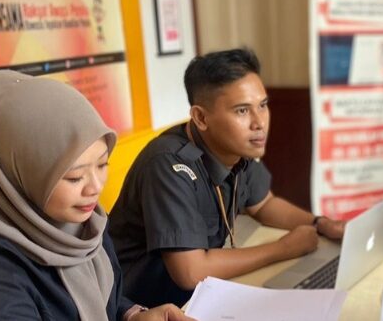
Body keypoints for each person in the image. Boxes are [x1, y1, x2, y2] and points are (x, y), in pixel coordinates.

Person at [0, 71, 192, 321]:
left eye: (102, 164)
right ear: (13, 174)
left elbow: (98, 299)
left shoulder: (83, 222)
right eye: (74, 177)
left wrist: (131, 314)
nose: (95, 187)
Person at [108, 48, 346, 307]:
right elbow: (190, 272)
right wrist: (284, 248)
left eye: (262, 105)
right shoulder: (168, 164)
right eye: (242, 111)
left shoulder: (235, 146)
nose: (259, 123)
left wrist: (319, 223)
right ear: (201, 118)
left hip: (200, 293)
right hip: (143, 306)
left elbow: (264, 204)